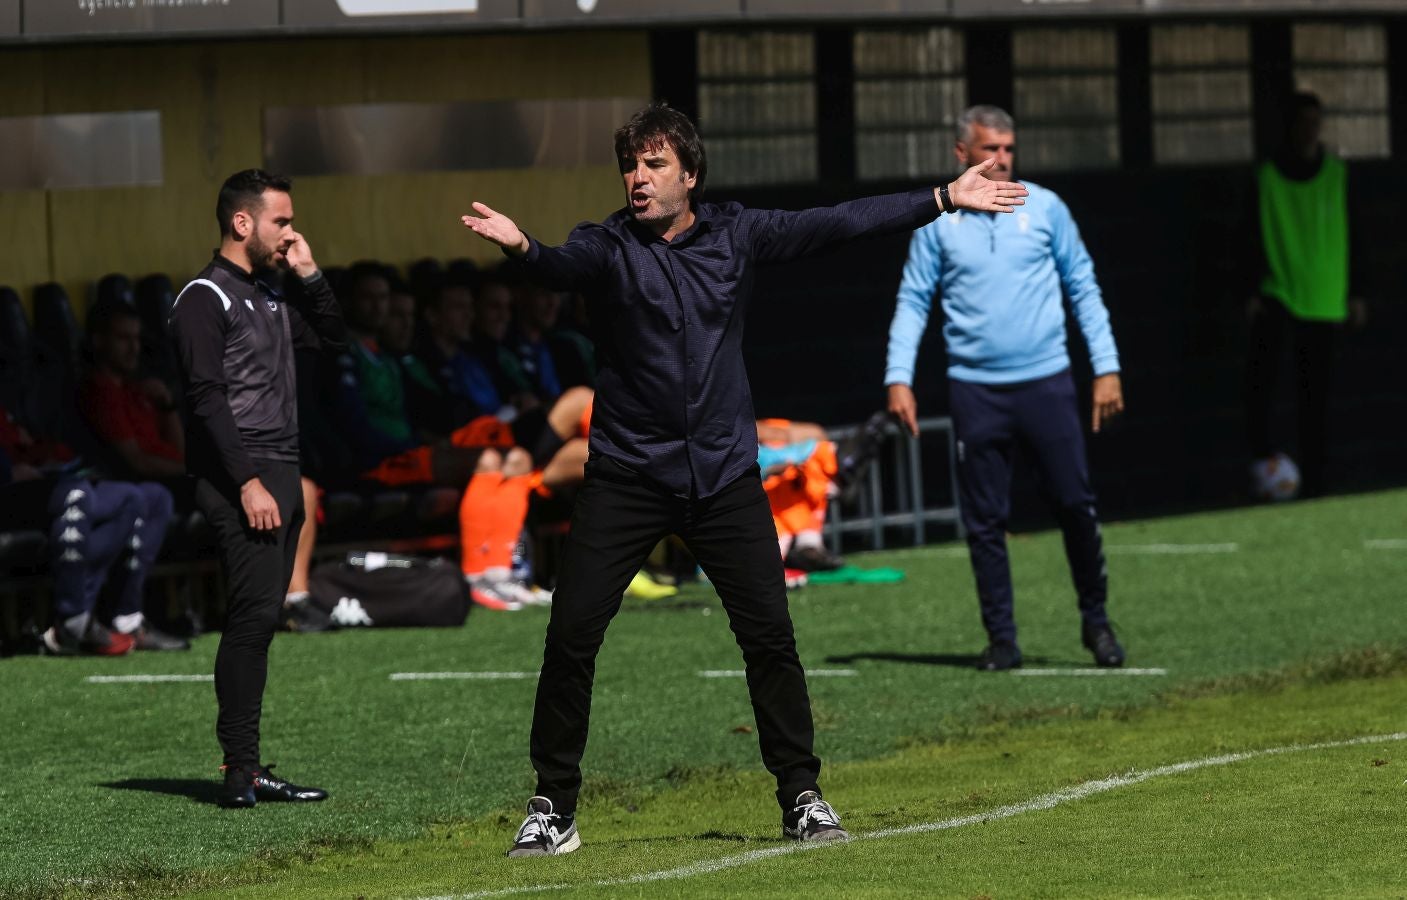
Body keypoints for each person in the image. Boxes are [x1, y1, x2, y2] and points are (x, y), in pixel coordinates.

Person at [461, 102, 1026, 856]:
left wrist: (942, 198)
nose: (638, 178)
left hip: (723, 478)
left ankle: (802, 797)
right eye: (630, 165)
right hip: (628, 476)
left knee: (769, 639)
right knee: (570, 636)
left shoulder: (737, 233)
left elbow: (838, 222)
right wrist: (524, 248)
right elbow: (560, 265)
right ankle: (552, 807)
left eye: (655, 164)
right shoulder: (607, 244)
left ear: (690, 175)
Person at [884, 104, 1125, 674]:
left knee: (1075, 505)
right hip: (976, 392)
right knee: (985, 521)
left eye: (1009, 149)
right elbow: (914, 299)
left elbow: (1083, 286)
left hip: (1047, 384)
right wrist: (898, 377)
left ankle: (1096, 621)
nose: (1002, 159)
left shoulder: (1046, 208)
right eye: (990, 149)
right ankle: (1001, 640)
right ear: (962, 153)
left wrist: (1107, 367)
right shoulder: (939, 222)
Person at [169, 169, 345, 809]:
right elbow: (206, 400)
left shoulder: (268, 296)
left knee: (263, 618)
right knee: (249, 621)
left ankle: (247, 766)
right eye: (282, 222)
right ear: (242, 222)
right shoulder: (203, 297)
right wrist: (246, 482)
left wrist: (310, 274)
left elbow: (334, 338)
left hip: (281, 470)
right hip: (241, 477)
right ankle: (239, 770)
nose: (291, 233)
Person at [1244, 91, 1365, 500]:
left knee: (1316, 396)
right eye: (1303, 121)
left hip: (1325, 297)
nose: (1310, 129)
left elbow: (1357, 233)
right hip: (1279, 292)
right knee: (1265, 389)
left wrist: (1357, 292)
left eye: (1316, 121)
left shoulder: (1337, 174)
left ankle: (1316, 479)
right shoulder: (1267, 176)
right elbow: (1248, 233)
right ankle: (1264, 468)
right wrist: (1249, 288)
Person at [78, 301, 186, 482]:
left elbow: (179, 452)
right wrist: (196, 473)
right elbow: (138, 463)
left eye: (136, 339)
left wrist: (167, 405)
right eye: (123, 338)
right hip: (158, 485)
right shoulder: (101, 392)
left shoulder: (137, 388)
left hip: (178, 476)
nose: (134, 348)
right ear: (99, 341)